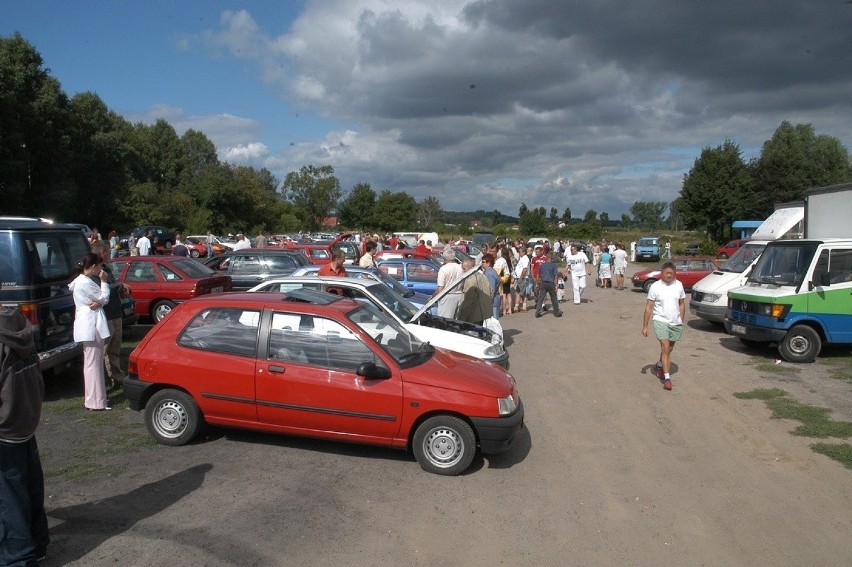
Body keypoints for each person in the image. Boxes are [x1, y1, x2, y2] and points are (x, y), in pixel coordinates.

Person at [0, 295, 50, 566]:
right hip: (24, 418)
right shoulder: (17, 319)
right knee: (28, 487)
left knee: (9, 497)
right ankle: (38, 542)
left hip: (6, 426)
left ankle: (18, 557)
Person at [69, 252, 112, 410]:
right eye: (100, 265)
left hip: (87, 324)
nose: (101, 268)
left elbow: (99, 300)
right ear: (94, 266)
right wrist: (104, 281)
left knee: (91, 364)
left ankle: (93, 400)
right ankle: (97, 402)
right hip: (92, 325)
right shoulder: (85, 282)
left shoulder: (80, 281)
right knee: (93, 364)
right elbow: (104, 298)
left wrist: (99, 302)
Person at [641, 261, 686, 391]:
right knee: (665, 348)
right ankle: (667, 379)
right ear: (662, 273)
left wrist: (681, 319)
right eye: (667, 273)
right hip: (660, 320)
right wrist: (645, 326)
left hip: (675, 322)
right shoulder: (655, 287)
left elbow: (682, 303)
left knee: (669, 349)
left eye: (672, 273)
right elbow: (649, 306)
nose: (669, 275)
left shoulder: (679, 285)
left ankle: (659, 365)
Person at [91, 241, 129, 388]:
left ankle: (117, 377)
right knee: (105, 350)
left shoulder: (107, 270)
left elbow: (111, 287)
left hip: (115, 312)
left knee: (115, 348)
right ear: (102, 253)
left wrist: (120, 289)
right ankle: (104, 381)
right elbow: (101, 292)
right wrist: (119, 285)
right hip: (105, 315)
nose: (110, 253)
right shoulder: (95, 273)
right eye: (107, 251)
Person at [457, 258, 492, 326]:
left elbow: (469, 301)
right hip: (483, 314)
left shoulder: (471, 280)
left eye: (464, 269)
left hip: (473, 316)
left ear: (471, 268)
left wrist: (462, 318)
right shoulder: (483, 276)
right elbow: (491, 292)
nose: (463, 271)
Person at [433, 247, 463, 318]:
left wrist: (433, 296)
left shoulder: (443, 269)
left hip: (447, 296)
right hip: (459, 295)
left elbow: (440, 288)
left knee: (444, 320)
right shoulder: (461, 267)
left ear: (445, 258)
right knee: (456, 320)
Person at [534, 252, 562, 318]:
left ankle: (537, 311)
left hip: (543, 283)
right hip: (550, 283)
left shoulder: (542, 265)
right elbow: (556, 275)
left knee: (541, 298)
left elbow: (538, 275)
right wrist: (556, 284)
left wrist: (537, 283)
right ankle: (556, 312)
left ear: (546, 257)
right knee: (554, 298)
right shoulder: (554, 265)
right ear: (552, 257)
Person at [511, 246, 532, 313]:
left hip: (523, 278)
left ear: (523, 252)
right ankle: (517, 307)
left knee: (522, 293)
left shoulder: (525, 259)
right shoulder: (522, 258)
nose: (519, 253)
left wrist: (521, 277)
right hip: (519, 277)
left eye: (519, 251)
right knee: (518, 292)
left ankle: (523, 306)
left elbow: (525, 269)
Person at [481, 254, 502, 320]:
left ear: (488, 263)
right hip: (494, 300)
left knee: (493, 322)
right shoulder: (490, 271)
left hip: (492, 302)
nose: (482, 263)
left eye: (483, 262)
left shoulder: (489, 273)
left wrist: (488, 301)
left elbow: (491, 289)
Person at [494, 247, 512, 316]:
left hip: (502, 277)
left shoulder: (501, 260)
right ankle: (510, 309)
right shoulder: (508, 260)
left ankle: (504, 310)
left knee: (504, 295)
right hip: (508, 277)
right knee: (509, 293)